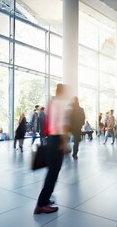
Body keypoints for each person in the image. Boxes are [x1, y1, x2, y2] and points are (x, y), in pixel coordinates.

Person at [34, 84, 70, 214]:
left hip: (51, 138)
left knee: (52, 171)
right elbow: (63, 124)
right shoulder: (62, 103)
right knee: (53, 172)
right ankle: (41, 204)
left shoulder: (52, 102)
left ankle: (45, 199)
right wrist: (65, 142)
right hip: (57, 139)